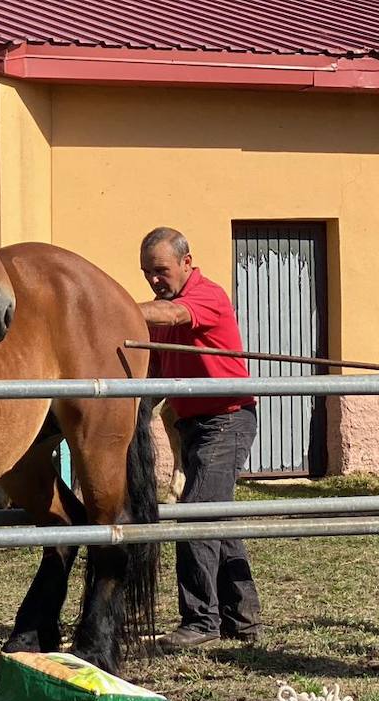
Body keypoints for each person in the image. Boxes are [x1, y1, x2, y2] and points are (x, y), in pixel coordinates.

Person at [137, 226, 262, 650]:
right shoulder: (162, 311)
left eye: (161, 270)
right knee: (215, 516)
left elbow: (172, 316)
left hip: (225, 420)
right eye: (147, 273)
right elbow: (155, 370)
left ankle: (200, 619)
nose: (154, 281)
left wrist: (111, 309)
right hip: (193, 424)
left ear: (187, 263)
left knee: (196, 514)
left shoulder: (206, 296)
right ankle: (242, 618)